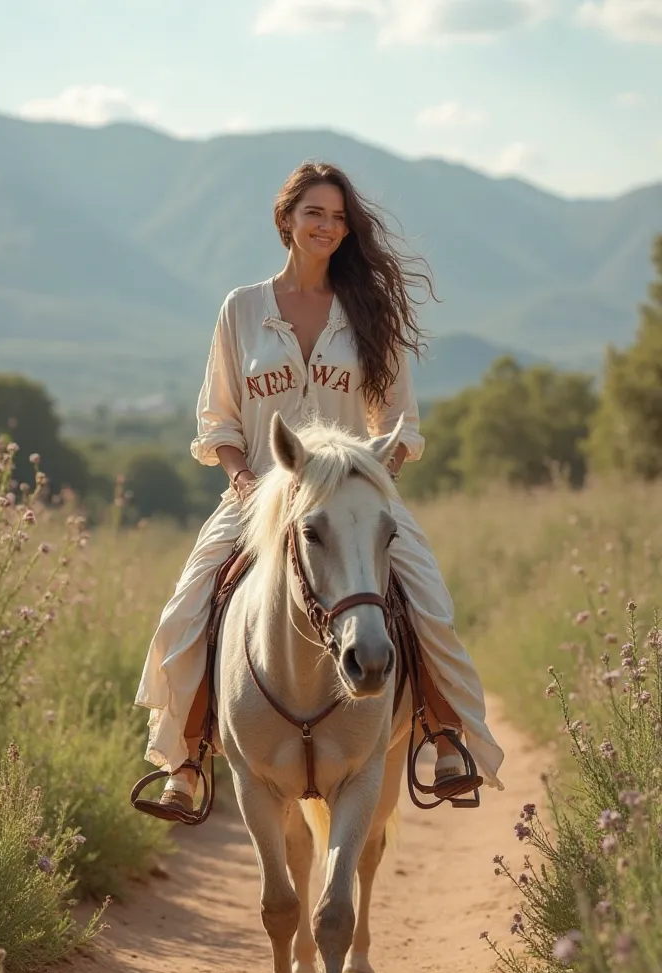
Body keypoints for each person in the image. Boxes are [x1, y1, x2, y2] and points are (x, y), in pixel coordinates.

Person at [134, 161, 504, 817]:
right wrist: (243, 478)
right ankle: (186, 759)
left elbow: (398, 424)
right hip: (257, 492)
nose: (327, 227)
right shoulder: (241, 309)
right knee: (187, 608)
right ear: (287, 220)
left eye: (338, 217)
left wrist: (369, 482)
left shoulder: (369, 311)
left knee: (427, 602)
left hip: (354, 495)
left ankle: (445, 736)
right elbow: (218, 418)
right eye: (315, 214)